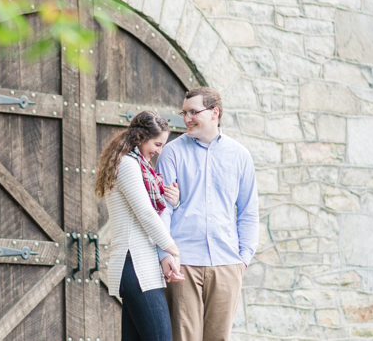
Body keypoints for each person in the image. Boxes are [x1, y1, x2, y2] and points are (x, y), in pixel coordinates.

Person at [157, 87, 259, 341]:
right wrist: (165, 253)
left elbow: (248, 211)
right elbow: (163, 207)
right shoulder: (172, 152)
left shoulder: (240, 155)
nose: (187, 118)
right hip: (184, 262)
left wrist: (243, 257)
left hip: (227, 263)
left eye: (194, 112)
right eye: (184, 112)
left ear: (215, 113)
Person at [95, 111, 185, 341]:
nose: (159, 151)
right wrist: (172, 250)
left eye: (163, 145)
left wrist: (170, 201)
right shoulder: (128, 165)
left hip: (139, 264)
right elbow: (145, 213)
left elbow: (146, 208)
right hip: (135, 264)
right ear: (140, 136)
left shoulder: (138, 166)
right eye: (157, 143)